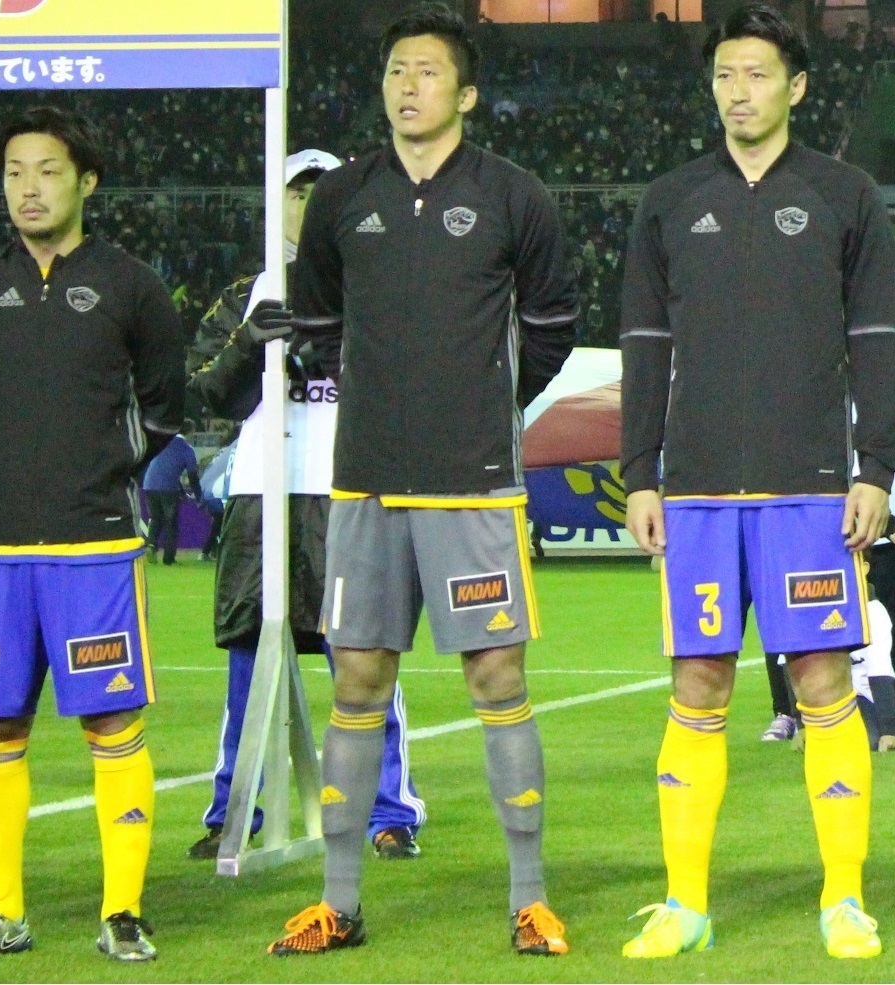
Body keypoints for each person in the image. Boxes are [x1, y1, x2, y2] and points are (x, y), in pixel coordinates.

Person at [265, 3, 579, 957]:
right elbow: (319, 320)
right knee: (357, 677)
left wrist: (482, 403)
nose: (409, 85)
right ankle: (339, 902)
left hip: (473, 484)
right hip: (364, 477)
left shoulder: (514, 195)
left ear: (467, 95)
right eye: (398, 69)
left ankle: (529, 897)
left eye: (429, 71)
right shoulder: (342, 198)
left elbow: (553, 324)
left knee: (497, 674)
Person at [619, 3, 895, 959]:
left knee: (823, 679)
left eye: (756, 75)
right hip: (698, 489)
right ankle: (685, 903)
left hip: (810, 488)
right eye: (724, 76)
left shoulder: (844, 194)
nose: (737, 92)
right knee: (698, 682)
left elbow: (881, 339)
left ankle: (844, 898)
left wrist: (875, 467)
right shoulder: (670, 199)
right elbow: (644, 343)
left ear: (797, 86)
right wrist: (640, 472)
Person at [0, 107, 184, 962]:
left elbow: (163, 408)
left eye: (45, 170)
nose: (28, 188)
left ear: (87, 181)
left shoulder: (131, 285)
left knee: (111, 720)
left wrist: (97, 468)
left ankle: (123, 911)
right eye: (14, 173)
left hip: (93, 544)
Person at [185, 150, 426, 863]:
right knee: (248, 655)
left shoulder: (379, 282)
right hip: (262, 491)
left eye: (324, 194)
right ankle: (234, 811)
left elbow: (410, 383)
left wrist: (336, 349)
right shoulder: (245, 294)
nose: (310, 206)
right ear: (277, 203)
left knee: (364, 654)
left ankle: (389, 811)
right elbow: (206, 391)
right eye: (298, 194)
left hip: (348, 487)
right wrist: (248, 344)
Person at [140, 429, 197, 564]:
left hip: (149, 485)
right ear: (190, 431)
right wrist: (198, 496)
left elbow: (166, 470)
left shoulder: (162, 442)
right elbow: (193, 476)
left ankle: (151, 545)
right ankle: (168, 558)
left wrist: (181, 491)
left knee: (155, 518)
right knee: (171, 523)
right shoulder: (186, 448)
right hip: (168, 488)